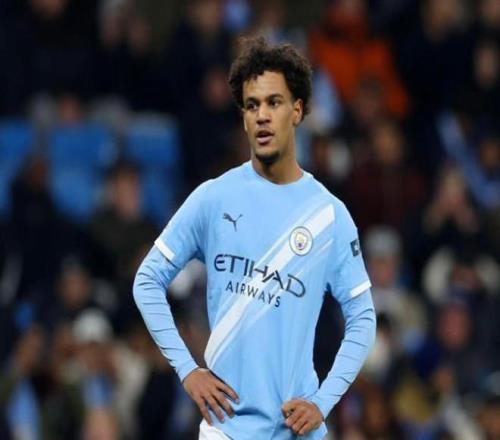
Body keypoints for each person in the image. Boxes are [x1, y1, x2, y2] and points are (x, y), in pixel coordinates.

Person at [133, 37, 376, 439]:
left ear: (297, 110)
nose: (262, 116)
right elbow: (147, 280)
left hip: (296, 430)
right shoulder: (213, 198)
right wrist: (188, 369)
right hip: (225, 429)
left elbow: (363, 317)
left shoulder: (329, 216)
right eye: (251, 105)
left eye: (274, 102)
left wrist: (323, 400)